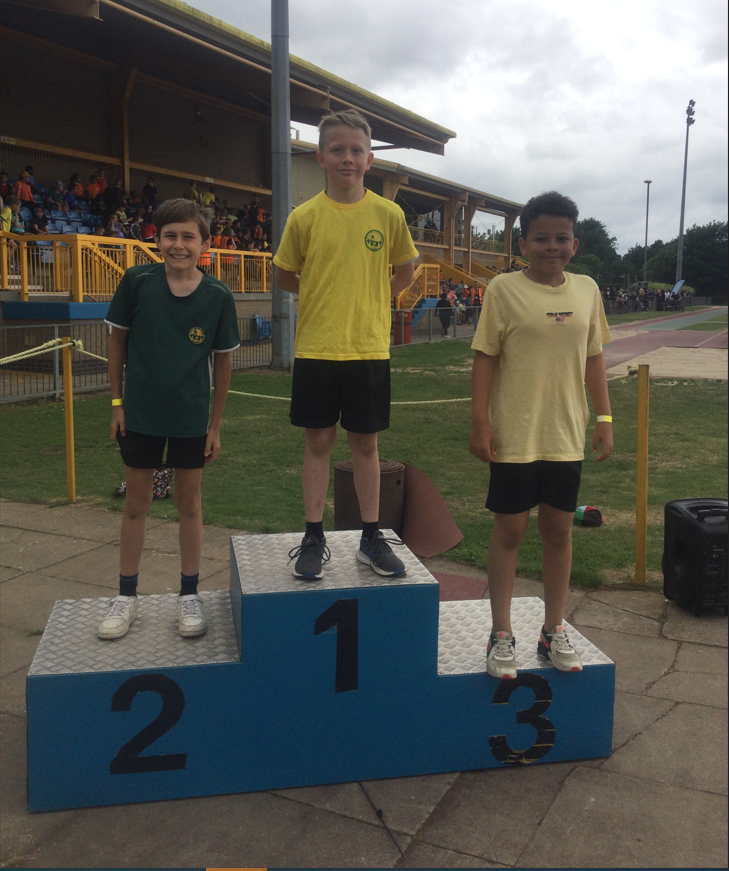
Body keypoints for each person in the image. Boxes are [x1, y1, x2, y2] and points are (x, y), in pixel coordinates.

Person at [469, 191, 613, 679]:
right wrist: (481, 421)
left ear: (575, 244)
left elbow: (594, 357)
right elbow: (485, 357)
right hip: (514, 432)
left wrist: (605, 418)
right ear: (524, 244)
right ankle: (501, 633)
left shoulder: (587, 290)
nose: (552, 247)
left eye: (561, 238)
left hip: (564, 432)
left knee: (559, 531)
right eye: (541, 238)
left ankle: (553, 629)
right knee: (510, 531)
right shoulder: (503, 289)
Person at [274, 109, 418, 581]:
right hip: (317, 348)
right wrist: (322, 292)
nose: (347, 158)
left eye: (357, 150)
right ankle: (313, 537)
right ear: (321, 158)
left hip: (368, 348)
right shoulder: (305, 216)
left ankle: (370, 538)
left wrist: (373, 296)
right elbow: (284, 274)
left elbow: (405, 271)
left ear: (370, 159)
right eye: (337, 150)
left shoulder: (388, 214)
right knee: (318, 443)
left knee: (366, 444)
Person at [98, 198, 240, 640]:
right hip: (139, 415)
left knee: (189, 505)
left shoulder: (218, 296)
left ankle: (189, 594)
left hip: (190, 419)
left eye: (188, 237)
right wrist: (117, 404)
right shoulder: (136, 282)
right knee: (136, 503)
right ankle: (126, 596)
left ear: (205, 243)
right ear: (157, 240)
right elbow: (117, 343)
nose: (179, 245)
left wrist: (214, 426)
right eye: (170, 236)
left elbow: (223, 363)